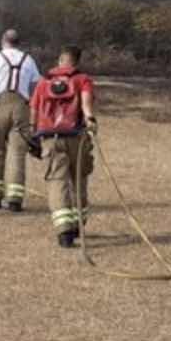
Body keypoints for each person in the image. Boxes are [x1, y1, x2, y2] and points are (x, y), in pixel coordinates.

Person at [30, 45, 97, 248]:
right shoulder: (82, 79)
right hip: (76, 136)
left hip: (50, 138)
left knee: (57, 181)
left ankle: (64, 231)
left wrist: (33, 134)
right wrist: (90, 119)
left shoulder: (44, 82)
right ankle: (78, 224)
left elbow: (33, 108)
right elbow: (86, 104)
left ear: (60, 60)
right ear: (77, 62)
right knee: (79, 178)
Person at [0, 29, 41, 211]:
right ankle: (15, 199)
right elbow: (36, 89)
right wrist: (36, 116)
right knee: (18, 153)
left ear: (3, 41)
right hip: (21, 107)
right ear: (19, 42)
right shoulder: (29, 60)